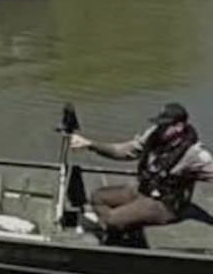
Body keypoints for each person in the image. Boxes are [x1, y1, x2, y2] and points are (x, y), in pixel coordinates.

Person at [70, 103, 213, 243]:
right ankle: (117, 229)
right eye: (159, 124)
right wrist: (90, 144)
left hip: (165, 205)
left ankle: (115, 229)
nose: (159, 128)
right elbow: (125, 151)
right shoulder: (153, 135)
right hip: (144, 189)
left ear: (179, 127)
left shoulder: (195, 155)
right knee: (98, 197)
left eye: (164, 126)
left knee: (113, 219)